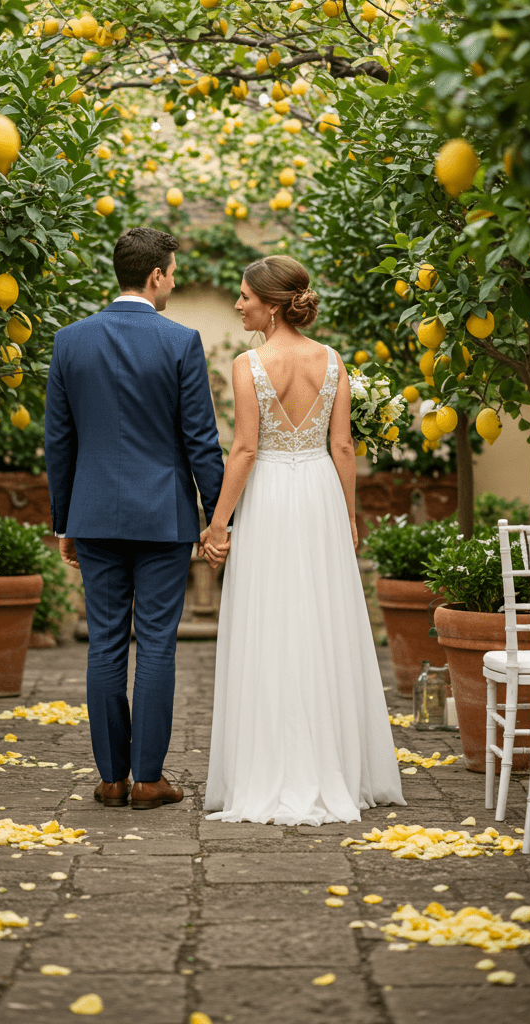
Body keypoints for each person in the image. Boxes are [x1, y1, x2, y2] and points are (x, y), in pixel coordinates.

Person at [201, 255, 405, 826]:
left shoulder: (249, 364)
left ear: (270, 304)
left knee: (269, 619)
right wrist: (349, 512)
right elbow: (343, 447)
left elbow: (242, 450)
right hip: (318, 493)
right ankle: (334, 763)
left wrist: (219, 522)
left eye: (244, 296)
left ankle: (268, 768)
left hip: (268, 494)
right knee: (323, 619)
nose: (239, 304)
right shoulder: (332, 360)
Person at [44, 227, 227, 811]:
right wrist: (218, 516)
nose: (173, 280)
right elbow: (201, 440)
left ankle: (111, 779)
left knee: (104, 645)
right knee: (155, 644)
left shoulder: (70, 341)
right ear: (154, 277)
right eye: (172, 272)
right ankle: (149, 779)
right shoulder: (180, 341)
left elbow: (60, 441)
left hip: (93, 515)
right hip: (163, 518)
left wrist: (63, 520)